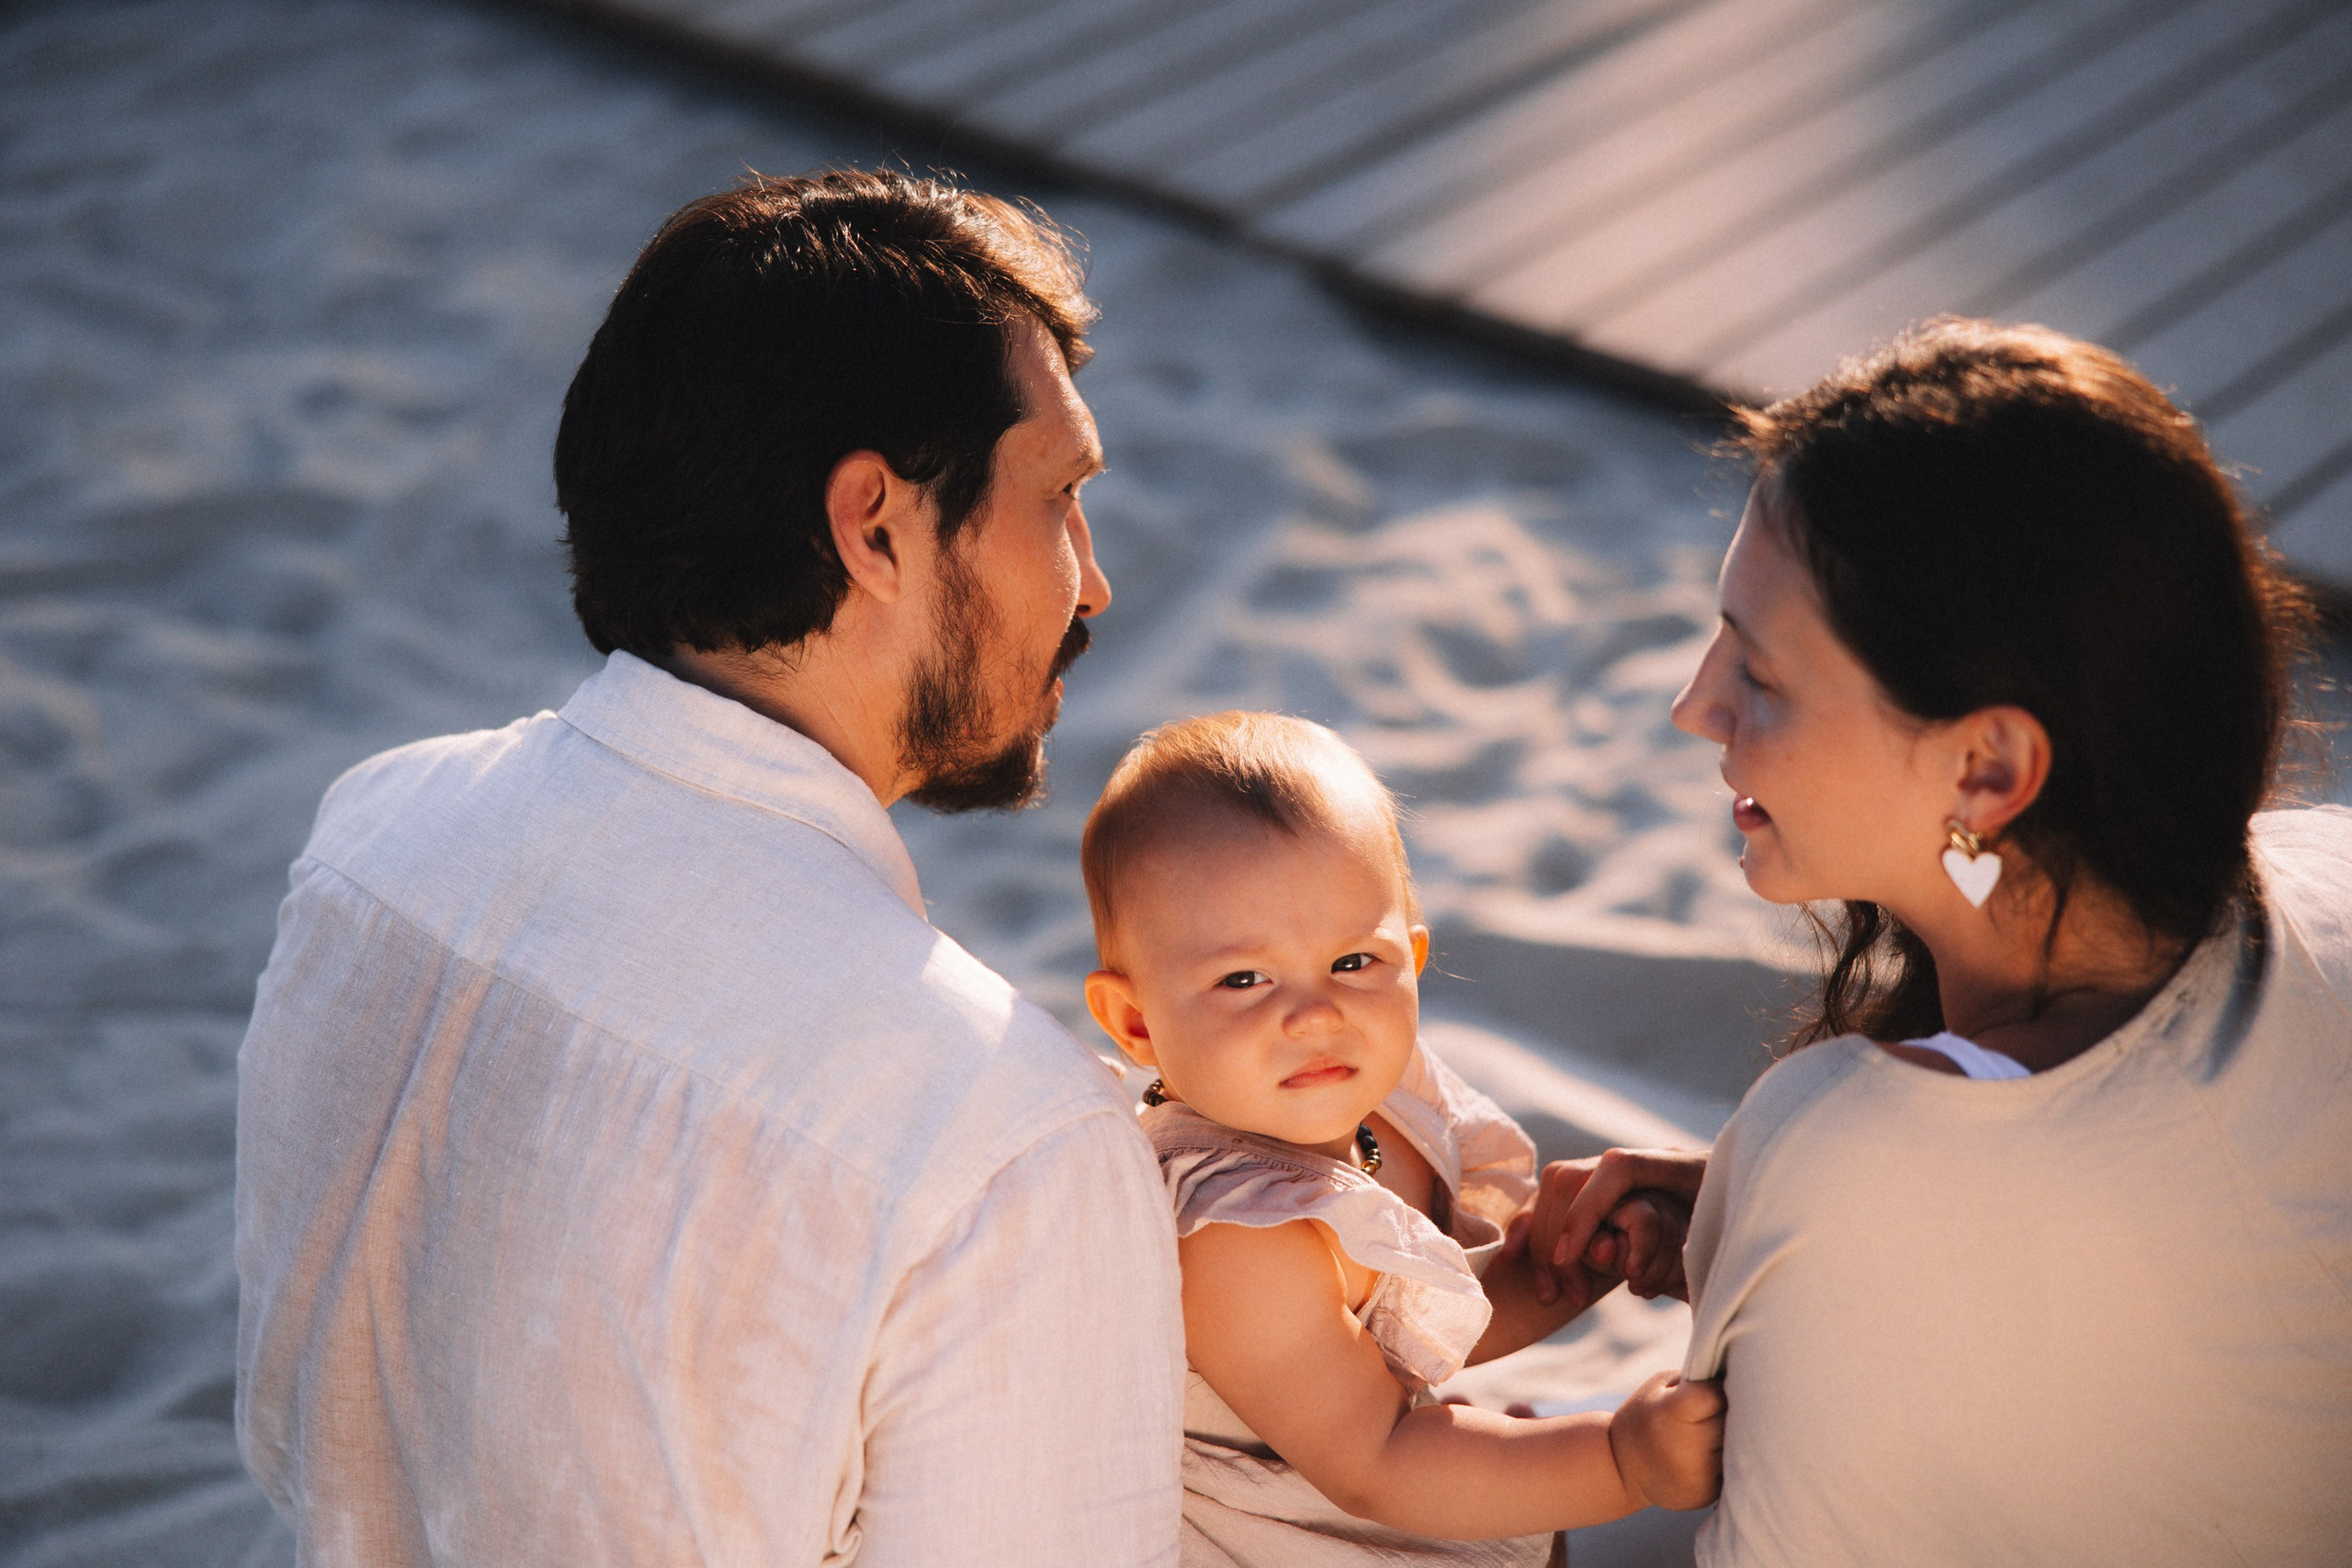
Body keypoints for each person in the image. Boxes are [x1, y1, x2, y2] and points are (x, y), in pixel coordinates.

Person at [234, 171, 1186, 1565]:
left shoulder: (375, 837)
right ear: (876, 526)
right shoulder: (998, 1138)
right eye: (1060, 501)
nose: (1092, 582)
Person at [1532, 318, 2352, 1564]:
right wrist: (1758, 1230)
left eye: (1761, 674)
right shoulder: (2322, 872)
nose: (1695, 703)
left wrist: (1815, 1215)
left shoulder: (1849, 1148)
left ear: (1987, 765)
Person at [1080, 711, 1724, 1567]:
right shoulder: (1237, 1236)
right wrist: (1619, 1458)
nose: (1315, 1012)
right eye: (1244, 978)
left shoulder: (1376, 1111)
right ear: (1136, 1022)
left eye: (1355, 962)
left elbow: (1420, 1319)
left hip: (1412, 1492)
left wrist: (1568, 1265)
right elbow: (1378, 1459)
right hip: (1311, 1537)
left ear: (1411, 958)